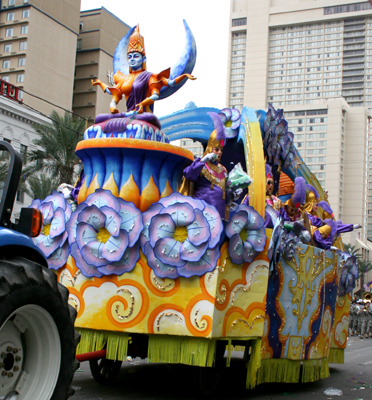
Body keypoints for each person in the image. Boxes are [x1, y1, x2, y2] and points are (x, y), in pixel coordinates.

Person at [92, 25, 195, 114]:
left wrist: (184, 75)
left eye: (136, 56)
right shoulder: (123, 78)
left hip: (143, 115)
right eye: (130, 57)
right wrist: (100, 84)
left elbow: (169, 84)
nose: (132, 59)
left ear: (143, 59)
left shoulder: (150, 77)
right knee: (102, 118)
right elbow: (112, 92)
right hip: (128, 115)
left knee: (142, 120)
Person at [183, 112, 230, 220]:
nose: (219, 153)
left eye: (221, 150)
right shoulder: (201, 165)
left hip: (219, 217)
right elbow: (188, 174)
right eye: (216, 149)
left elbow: (226, 196)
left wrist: (234, 193)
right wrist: (202, 161)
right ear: (210, 148)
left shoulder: (223, 169)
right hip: (202, 216)